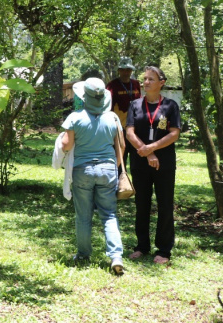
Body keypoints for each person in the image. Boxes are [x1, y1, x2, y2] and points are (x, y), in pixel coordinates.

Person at [60, 77, 125, 275]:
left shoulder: (75, 117)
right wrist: (114, 167)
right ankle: (116, 256)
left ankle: (83, 254)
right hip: (108, 170)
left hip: (82, 171)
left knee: (83, 216)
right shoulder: (113, 118)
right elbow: (121, 147)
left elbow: (66, 145)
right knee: (109, 214)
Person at [125, 66, 181, 264]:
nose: (146, 82)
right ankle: (142, 246)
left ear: (161, 83)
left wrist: (152, 148)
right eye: (144, 79)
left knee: (165, 204)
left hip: (164, 163)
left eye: (151, 79)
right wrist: (146, 152)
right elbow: (129, 133)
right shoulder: (135, 105)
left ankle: (164, 250)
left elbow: (174, 133)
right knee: (142, 204)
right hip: (140, 161)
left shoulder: (170, 106)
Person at [106, 57, 142, 170]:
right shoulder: (112, 85)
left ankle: (135, 186)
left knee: (137, 160)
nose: (125, 72)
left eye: (128, 69)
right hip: (118, 128)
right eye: (123, 69)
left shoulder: (136, 84)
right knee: (120, 158)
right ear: (119, 70)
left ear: (131, 70)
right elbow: (107, 106)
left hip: (135, 128)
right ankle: (120, 185)